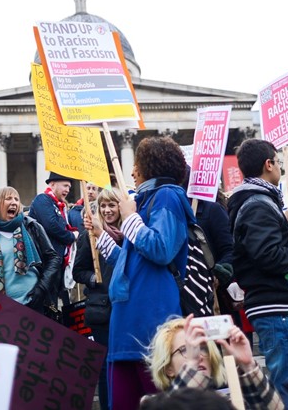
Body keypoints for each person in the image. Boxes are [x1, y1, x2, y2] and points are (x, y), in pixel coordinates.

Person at [84, 136, 193, 410]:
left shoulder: (168, 195)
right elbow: (131, 262)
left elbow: (161, 249)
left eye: (136, 165)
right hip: (125, 323)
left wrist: (131, 217)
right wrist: (101, 234)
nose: (131, 172)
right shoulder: (142, 203)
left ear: (149, 166)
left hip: (151, 321)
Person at [228, 138, 288, 392]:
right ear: (269, 164)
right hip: (277, 305)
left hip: (280, 303)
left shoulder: (261, 202)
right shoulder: (258, 204)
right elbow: (270, 256)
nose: (280, 168)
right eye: (279, 162)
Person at [145, 315, 283, 410]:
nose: (198, 354)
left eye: (203, 348)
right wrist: (192, 364)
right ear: (168, 368)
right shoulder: (150, 403)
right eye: (185, 349)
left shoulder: (226, 401)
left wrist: (248, 366)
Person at [74, 187, 123, 410]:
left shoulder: (129, 235)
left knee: (124, 363)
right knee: (105, 367)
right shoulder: (89, 235)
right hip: (101, 310)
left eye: (111, 205)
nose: (107, 210)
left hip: (124, 308)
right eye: (103, 206)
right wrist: (94, 277)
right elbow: (78, 271)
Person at [0, 186, 60, 312]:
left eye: (16, 199)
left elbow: (53, 258)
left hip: (33, 303)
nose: (14, 202)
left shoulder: (32, 227)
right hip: (2, 308)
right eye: (8, 198)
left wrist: (41, 288)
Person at [29, 171, 79, 304]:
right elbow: (52, 226)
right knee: (48, 305)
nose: (68, 190)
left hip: (57, 265)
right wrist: (71, 236)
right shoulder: (42, 200)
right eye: (65, 186)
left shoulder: (59, 206)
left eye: (69, 187)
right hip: (46, 265)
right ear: (52, 184)